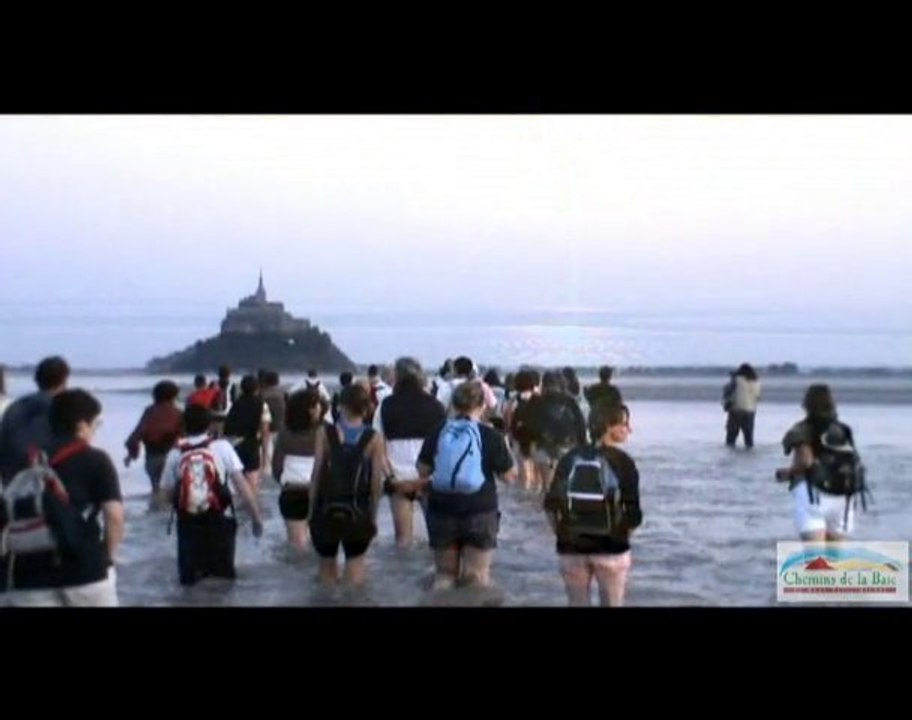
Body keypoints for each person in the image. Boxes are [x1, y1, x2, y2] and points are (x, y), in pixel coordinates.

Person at [1, 389, 125, 606]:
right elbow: (114, 516)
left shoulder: (28, 462)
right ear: (81, 425)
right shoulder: (96, 459)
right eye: (95, 424)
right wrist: (106, 558)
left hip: (28, 577)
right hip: (85, 573)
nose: (95, 431)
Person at [417, 381, 517, 590]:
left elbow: (422, 469)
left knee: (443, 576)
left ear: (453, 403)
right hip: (480, 510)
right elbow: (509, 477)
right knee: (477, 577)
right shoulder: (490, 435)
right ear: (483, 406)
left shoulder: (439, 432)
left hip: (442, 509)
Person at [544, 402, 642, 607]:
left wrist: (562, 533)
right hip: (611, 548)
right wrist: (621, 535)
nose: (629, 429)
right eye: (624, 424)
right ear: (608, 426)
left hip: (571, 547)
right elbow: (633, 513)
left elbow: (551, 504)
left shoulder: (570, 457)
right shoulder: (623, 461)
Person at [159, 404, 264, 586]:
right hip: (220, 519)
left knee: (190, 582)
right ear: (209, 425)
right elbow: (242, 485)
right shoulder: (222, 447)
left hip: (188, 523)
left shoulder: (175, 453)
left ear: (184, 426)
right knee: (223, 580)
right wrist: (256, 517)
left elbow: (165, 495)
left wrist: (189, 500)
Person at [307, 384, 384, 586]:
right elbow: (376, 483)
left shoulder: (325, 433)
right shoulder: (374, 438)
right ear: (366, 409)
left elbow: (316, 474)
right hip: (358, 510)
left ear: (340, 406)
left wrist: (311, 510)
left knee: (326, 569)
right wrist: (373, 517)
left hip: (327, 509)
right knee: (355, 569)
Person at [776, 384, 869, 542]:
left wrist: (787, 473)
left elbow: (806, 461)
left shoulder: (803, 428)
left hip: (813, 495)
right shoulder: (844, 429)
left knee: (817, 560)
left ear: (806, 404)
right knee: (837, 560)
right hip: (843, 497)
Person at [374, 357, 446, 548]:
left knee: (403, 542)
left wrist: (389, 477)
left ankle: (400, 578)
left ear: (396, 376)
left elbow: (378, 446)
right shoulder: (436, 406)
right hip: (427, 480)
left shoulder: (385, 406)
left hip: (398, 479)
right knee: (437, 540)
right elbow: (443, 447)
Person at [272, 389, 328, 551]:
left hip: (292, 492)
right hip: (320, 493)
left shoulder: (285, 432)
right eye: (316, 406)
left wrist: (285, 481)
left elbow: (277, 467)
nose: (319, 409)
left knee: (297, 546)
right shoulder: (327, 431)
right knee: (322, 546)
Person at [0, 355, 70, 483]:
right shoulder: (62, 408)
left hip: (11, 483)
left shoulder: (14, 407)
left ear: (37, 379)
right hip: (46, 486)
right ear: (65, 380)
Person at [124, 380, 184, 499]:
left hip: (152, 458)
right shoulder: (178, 413)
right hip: (174, 458)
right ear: (173, 396)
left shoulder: (149, 412)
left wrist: (131, 455)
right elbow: (185, 436)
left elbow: (136, 436)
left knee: (157, 491)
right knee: (174, 494)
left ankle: (155, 513)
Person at [223, 374, 272, 493]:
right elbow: (265, 431)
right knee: (252, 484)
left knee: (236, 485)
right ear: (257, 388)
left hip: (233, 445)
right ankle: (252, 508)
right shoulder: (261, 405)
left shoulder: (236, 404)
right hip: (251, 445)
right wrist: (265, 457)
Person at [726, 363, 761, 449]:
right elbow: (758, 397)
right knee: (749, 440)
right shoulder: (756, 382)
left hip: (736, 410)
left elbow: (728, 392)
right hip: (750, 412)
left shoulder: (736, 380)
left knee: (731, 439)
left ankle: (731, 457)